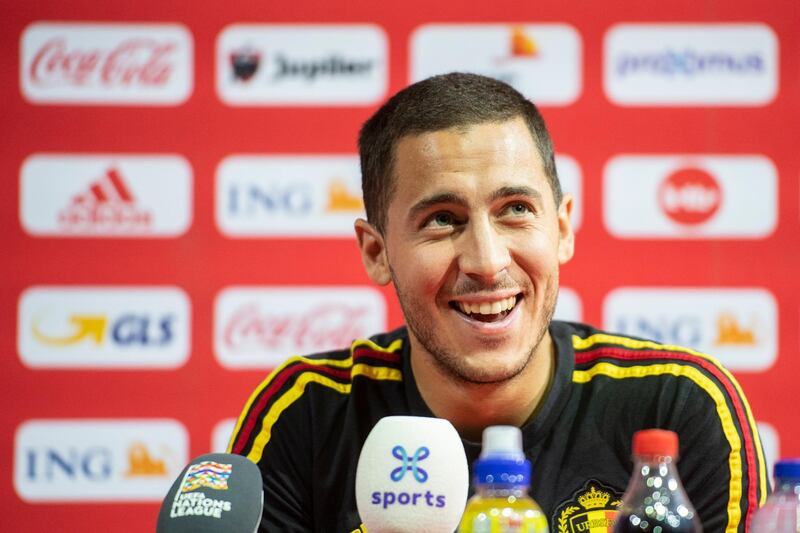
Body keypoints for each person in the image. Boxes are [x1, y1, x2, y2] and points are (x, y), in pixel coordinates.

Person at [227, 72, 768, 532]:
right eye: (442, 220)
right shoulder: (306, 414)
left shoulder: (679, 406)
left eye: (514, 209)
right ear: (377, 251)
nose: (486, 262)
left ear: (561, 229)